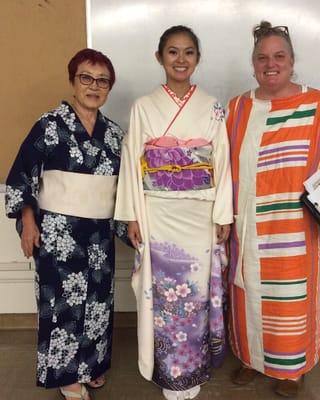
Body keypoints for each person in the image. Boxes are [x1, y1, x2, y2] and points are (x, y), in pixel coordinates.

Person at [226, 21, 320, 397]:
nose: (270, 64)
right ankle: (251, 359)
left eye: (279, 56)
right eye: (262, 58)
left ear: (292, 60)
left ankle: (292, 369)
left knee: (292, 302)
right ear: (253, 63)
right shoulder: (237, 107)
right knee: (248, 294)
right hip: (248, 227)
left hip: (297, 232)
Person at [114, 25, 233, 400]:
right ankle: (168, 368)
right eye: (172, 52)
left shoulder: (213, 105)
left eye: (188, 53)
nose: (180, 60)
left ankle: (191, 366)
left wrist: (222, 214)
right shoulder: (143, 106)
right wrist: (133, 215)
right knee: (163, 295)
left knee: (194, 294)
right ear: (159, 57)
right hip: (158, 212)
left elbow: (223, 162)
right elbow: (133, 163)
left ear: (198, 58)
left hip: (200, 212)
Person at [5, 48, 127, 400]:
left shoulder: (115, 135)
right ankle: (65, 375)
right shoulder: (49, 126)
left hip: (99, 235)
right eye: (86, 78)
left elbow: (126, 189)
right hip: (58, 233)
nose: (94, 86)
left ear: (109, 87)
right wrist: (29, 222)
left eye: (102, 80)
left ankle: (91, 366)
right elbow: (21, 177)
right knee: (63, 304)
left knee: (98, 302)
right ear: (73, 81)